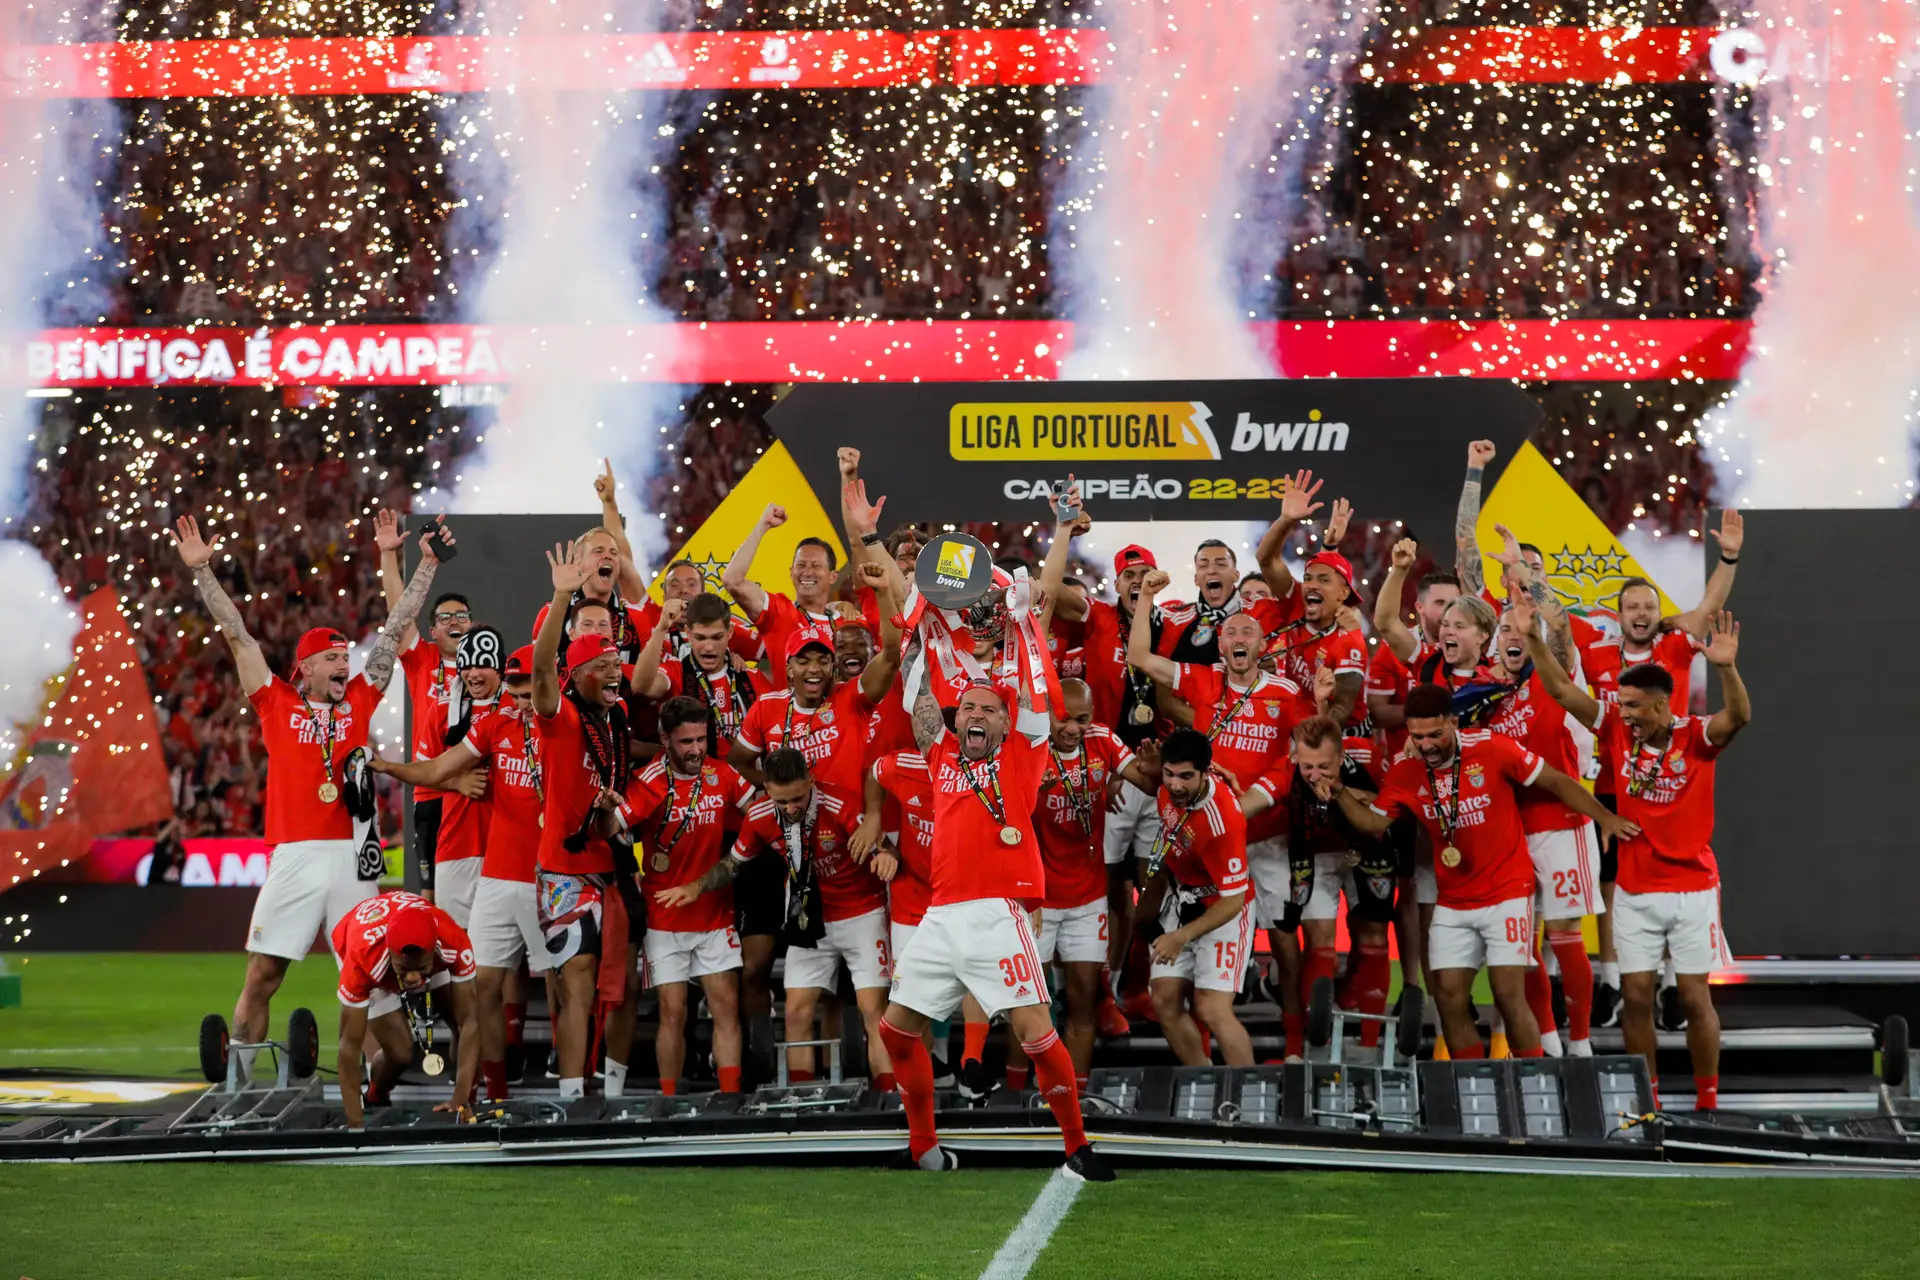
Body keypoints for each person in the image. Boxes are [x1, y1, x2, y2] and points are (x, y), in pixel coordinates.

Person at [171, 512, 443, 1077]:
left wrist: (426, 567)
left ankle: (378, 1084)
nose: (346, 663)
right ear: (306, 668)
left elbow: (396, 629)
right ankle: (240, 1088)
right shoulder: (276, 701)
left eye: (347, 656)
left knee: (374, 983)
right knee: (263, 974)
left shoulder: (362, 700)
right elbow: (236, 634)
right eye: (334, 658)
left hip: (351, 857)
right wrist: (203, 575)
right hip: (294, 853)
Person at [876, 671, 1113, 1181]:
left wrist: (1024, 620)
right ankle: (925, 1148)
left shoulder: (1023, 756)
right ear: (955, 719)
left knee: (1036, 1036)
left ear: (1007, 722)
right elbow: (915, 692)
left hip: (998, 914)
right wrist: (916, 623)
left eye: (988, 709)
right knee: (895, 1032)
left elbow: (1032, 686)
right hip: (938, 916)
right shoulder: (940, 756)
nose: (976, 714)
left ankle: (1077, 1146)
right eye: (967, 708)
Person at [1319, 684, 1635, 1059]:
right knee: (1448, 998)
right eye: (1417, 736)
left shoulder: (1492, 747)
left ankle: (1532, 1083)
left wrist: (1606, 818)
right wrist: (1338, 792)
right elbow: (1373, 824)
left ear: (1454, 722)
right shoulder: (1406, 770)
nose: (1427, 745)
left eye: (1435, 734)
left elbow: (1557, 780)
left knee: (1507, 992)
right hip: (1453, 901)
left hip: (1508, 892)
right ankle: (1473, 1087)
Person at [1525, 610, 1749, 1110]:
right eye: (1621, 705)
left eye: (1634, 706)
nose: (1623, 713)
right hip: (1634, 890)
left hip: (1693, 890)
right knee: (1639, 999)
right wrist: (1532, 639)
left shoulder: (1697, 737)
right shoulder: (1616, 731)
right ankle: (1648, 1104)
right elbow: (1562, 692)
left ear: (1663, 704)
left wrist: (1727, 670)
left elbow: (1740, 717)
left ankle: (1707, 1104)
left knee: (1694, 999)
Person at [1126, 569, 1310, 1055]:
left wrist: (1251, 801)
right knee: (1180, 996)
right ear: (1221, 647)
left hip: (1261, 834)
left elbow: (1302, 758)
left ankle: (1294, 1046)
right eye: (1231, 632)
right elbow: (1140, 658)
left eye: (1248, 630)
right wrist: (1145, 598)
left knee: (1286, 942)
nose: (1239, 637)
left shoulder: (1288, 694)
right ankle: (1204, 1082)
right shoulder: (1204, 680)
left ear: (1263, 644)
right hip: (1203, 834)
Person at [370, 645, 544, 1101]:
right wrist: (391, 767)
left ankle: (571, 1088)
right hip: (481, 862)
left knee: (558, 985)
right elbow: (435, 773)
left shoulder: (559, 725)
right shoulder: (480, 722)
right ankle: (488, 1087)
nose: (524, 700)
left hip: (548, 872)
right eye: (518, 691)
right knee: (474, 975)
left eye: (531, 690)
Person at [676, 747, 895, 1087]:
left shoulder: (839, 806)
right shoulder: (760, 815)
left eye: (798, 798)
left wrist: (884, 856)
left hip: (861, 913)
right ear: (767, 789)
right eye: (782, 802)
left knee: (872, 1010)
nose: (791, 809)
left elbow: (884, 848)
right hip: (809, 918)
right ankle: (803, 1097)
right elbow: (734, 863)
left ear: (810, 781)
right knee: (795, 1010)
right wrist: (697, 886)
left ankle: (888, 1097)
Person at [530, 539, 641, 1100]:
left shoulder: (617, 719)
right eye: (601, 665)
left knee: (618, 985)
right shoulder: (562, 716)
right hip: (564, 873)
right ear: (577, 674)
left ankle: (613, 1094)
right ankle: (571, 1096)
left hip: (612, 868)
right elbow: (543, 675)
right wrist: (560, 598)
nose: (614, 672)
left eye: (615, 662)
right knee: (577, 981)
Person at [1482, 595, 1602, 1057]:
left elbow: (1560, 642)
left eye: (1521, 630)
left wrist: (1525, 580)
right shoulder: (1483, 696)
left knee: (1563, 933)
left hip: (1560, 820)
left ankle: (1581, 1044)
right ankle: (1548, 1042)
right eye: (1505, 630)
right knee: (1518, 940)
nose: (1514, 637)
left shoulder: (1552, 676)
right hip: (1508, 831)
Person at [625, 697, 756, 1097]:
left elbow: (764, 813)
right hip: (663, 917)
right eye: (686, 742)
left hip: (715, 914)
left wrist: (738, 855)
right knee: (673, 1011)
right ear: (665, 739)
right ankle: (668, 1099)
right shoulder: (647, 781)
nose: (696, 749)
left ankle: (730, 1098)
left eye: (701, 739)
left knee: (726, 1008)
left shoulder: (722, 775)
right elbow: (614, 832)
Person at [1018, 678, 1135, 1082]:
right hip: (1038, 903)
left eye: (1082, 719)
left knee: (1083, 1002)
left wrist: (1131, 775)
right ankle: (1016, 1096)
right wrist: (1030, 794)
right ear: (1048, 713)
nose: (1072, 728)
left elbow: (1148, 779)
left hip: (1088, 900)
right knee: (1029, 1006)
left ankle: (1075, 1097)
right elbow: (1003, 820)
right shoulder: (1028, 749)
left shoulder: (1102, 741)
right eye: (1064, 718)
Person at [1367, 546, 1461, 999]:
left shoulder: (1483, 656)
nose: (1448, 614)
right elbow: (1385, 622)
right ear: (1420, 608)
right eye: (1440, 603)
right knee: (1419, 891)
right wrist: (1399, 568)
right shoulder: (1419, 655)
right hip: (1414, 793)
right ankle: (1418, 990)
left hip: (1472, 793)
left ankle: (1460, 997)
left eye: (1455, 604)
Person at [1142, 728, 1257, 1068]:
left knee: (1211, 1008)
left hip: (1223, 908)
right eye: (1169, 774)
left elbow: (1234, 900)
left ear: (1206, 773)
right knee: (1164, 1000)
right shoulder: (1168, 787)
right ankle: (1203, 1080)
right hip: (1183, 900)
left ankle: (1248, 1099)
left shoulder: (1224, 822)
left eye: (1186, 777)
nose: (1175, 785)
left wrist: (1181, 936)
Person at [377, 509, 472, 895]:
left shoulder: (489, 666)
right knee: (431, 897)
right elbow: (399, 616)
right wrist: (388, 555)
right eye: (446, 616)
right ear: (432, 630)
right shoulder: (422, 658)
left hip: (475, 791)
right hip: (433, 793)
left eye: (462, 616)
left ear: (473, 625)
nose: (455, 621)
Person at [333, 890, 480, 1128]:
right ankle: (376, 1094)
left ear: (434, 950)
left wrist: (461, 1099)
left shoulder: (455, 941)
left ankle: (466, 1100)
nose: (413, 978)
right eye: (405, 969)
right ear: (390, 952)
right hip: (365, 945)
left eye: (420, 968)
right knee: (400, 1051)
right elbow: (348, 1047)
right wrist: (355, 1123)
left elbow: (470, 1022)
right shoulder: (361, 960)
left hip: (419, 949)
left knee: (459, 1019)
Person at [632, 593, 772, 756]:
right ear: (688, 634)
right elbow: (641, 686)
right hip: (695, 775)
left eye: (716, 637)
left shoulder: (751, 677)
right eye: (700, 638)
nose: (708, 647)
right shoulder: (677, 671)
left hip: (745, 776)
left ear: (730, 632)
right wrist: (661, 628)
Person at [722, 502, 843, 670]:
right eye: (801, 565)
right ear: (791, 572)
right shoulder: (778, 612)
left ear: (833, 576)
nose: (807, 572)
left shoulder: (849, 621)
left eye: (816, 566)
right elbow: (732, 581)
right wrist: (763, 525)